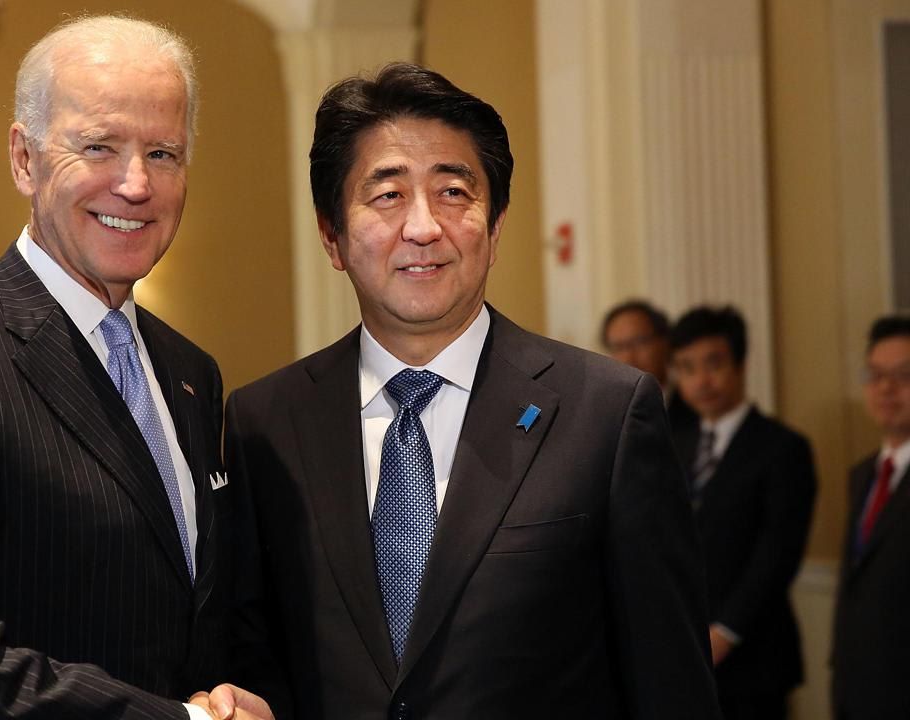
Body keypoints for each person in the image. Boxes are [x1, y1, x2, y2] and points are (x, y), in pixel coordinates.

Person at [214, 62, 720, 719]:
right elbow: (253, 656)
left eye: (453, 192)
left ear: (496, 223)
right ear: (332, 234)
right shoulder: (265, 423)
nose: (423, 227)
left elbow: (670, 681)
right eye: (387, 195)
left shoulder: (608, 414)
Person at [0, 15, 261, 720]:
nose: (135, 184)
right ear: (24, 159)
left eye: (163, 153)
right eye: (98, 146)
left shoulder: (191, 374)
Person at [670, 306, 817, 720]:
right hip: (681, 650)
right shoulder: (671, 444)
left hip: (754, 654)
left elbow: (778, 554)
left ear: (740, 363)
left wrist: (725, 632)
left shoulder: (782, 448)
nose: (701, 380)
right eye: (687, 368)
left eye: (713, 364)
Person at [832, 315, 910, 720]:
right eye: (875, 374)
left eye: (903, 375)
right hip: (859, 689)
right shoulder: (863, 474)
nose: (886, 388)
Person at [601, 298, 695, 428]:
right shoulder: (607, 416)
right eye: (619, 347)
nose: (629, 356)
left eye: (640, 341)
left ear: (665, 342)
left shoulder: (697, 404)